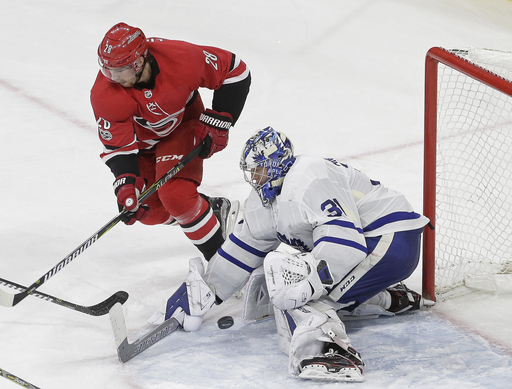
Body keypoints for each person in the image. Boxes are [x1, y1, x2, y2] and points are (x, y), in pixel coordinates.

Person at [159, 127, 430, 382]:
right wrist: (205, 290)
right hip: (380, 245)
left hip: (391, 241)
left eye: (260, 171)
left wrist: (308, 285)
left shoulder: (308, 178)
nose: (255, 179)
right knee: (304, 280)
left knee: (296, 283)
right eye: (252, 173)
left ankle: (330, 353)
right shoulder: (271, 196)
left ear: (277, 163)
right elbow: (243, 247)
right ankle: (385, 297)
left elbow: (345, 245)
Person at [90, 22, 251, 260]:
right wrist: (126, 184)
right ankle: (211, 213)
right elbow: (117, 146)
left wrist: (221, 118)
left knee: (176, 196)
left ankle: (227, 267)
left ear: (138, 62)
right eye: (107, 70)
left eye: (119, 70)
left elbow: (235, 71)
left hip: (182, 126)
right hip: (142, 146)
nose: (112, 77)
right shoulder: (104, 93)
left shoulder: (181, 58)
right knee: (150, 211)